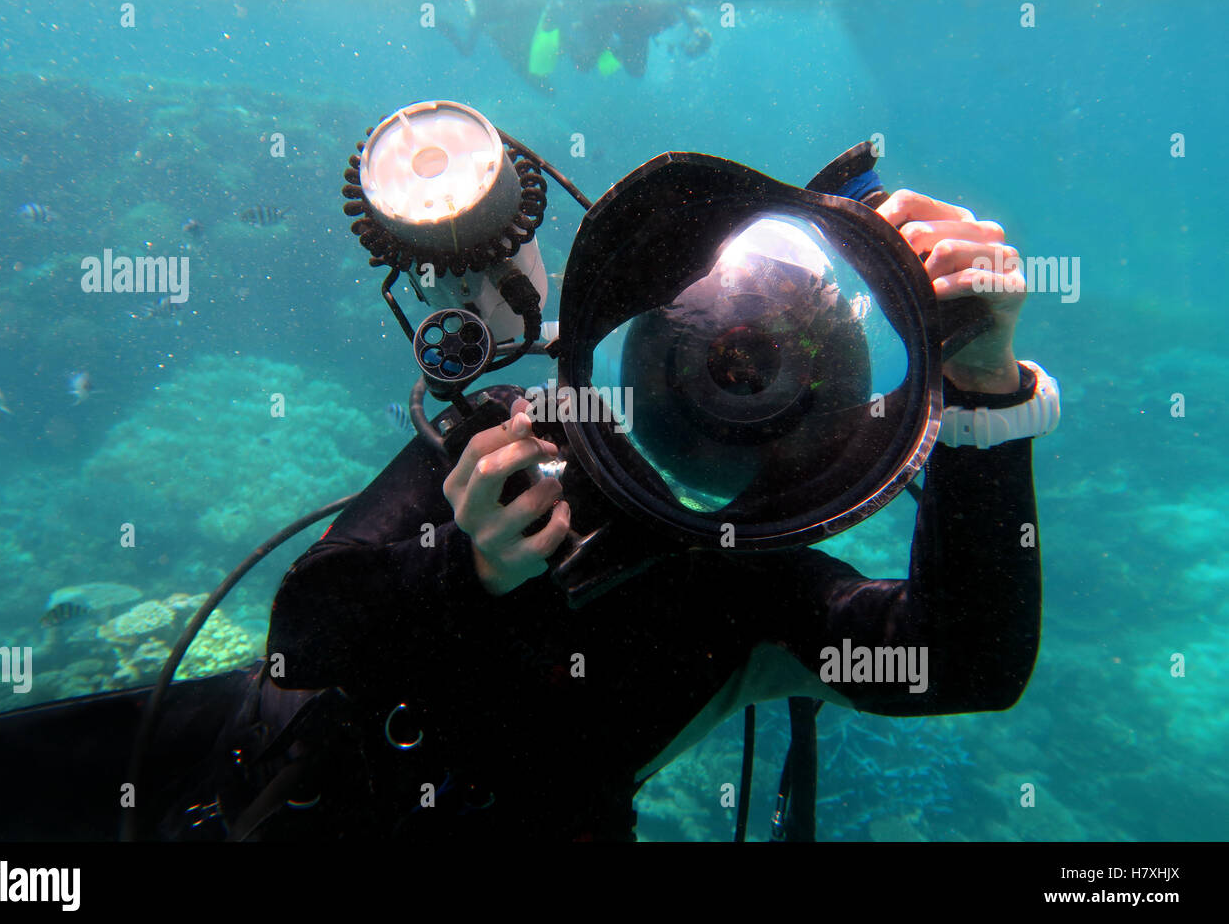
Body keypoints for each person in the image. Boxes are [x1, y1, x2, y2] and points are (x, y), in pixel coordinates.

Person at [245, 180, 1054, 841]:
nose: (736, 369)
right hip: (280, 792)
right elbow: (305, 639)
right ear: (639, 342)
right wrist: (466, 566)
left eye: (768, 362)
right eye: (714, 346)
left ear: (832, 422)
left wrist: (984, 391)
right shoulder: (512, 436)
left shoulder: (760, 587)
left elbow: (959, 663)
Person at [438, 0, 712, 92]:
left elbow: (687, 12)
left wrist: (700, 32)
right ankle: (568, 37)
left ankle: (577, 40)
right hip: (607, 21)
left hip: (629, 31)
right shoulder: (618, 4)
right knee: (583, 63)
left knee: (636, 71)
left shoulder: (668, 2)